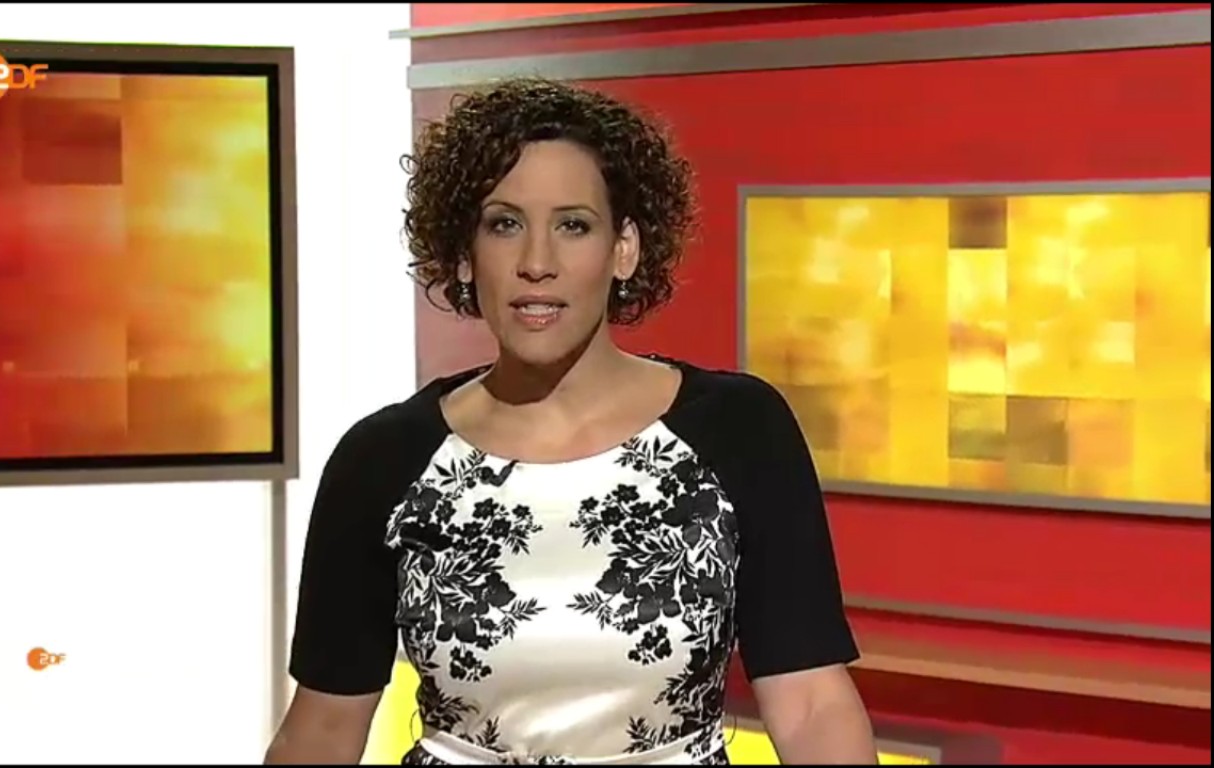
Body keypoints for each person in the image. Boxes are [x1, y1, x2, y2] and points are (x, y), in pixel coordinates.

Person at [265, 77, 876, 766]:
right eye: (504, 224)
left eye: (573, 225)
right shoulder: (383, 460)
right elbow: (322, 731)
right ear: (464, 255)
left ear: (625, 248)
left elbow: (812, 705)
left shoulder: (740, 431)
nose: (537, 264)